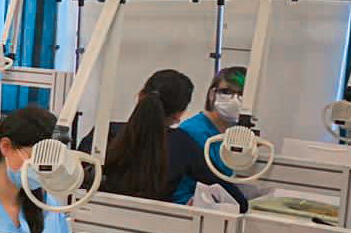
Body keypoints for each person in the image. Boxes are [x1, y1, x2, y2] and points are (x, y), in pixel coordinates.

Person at [83, 69, 248, 209]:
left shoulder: (104, 133)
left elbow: (76, 178)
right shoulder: (183, 144)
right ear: (179, 114)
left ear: (140, 96)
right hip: (156, 229)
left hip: (94, 221)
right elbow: (234, 198)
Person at [177, 65, 246, 187]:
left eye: (241, 93)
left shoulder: (239, 134)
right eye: (226, 92)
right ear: (212, 94)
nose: (234, 100)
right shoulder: (193, 132)